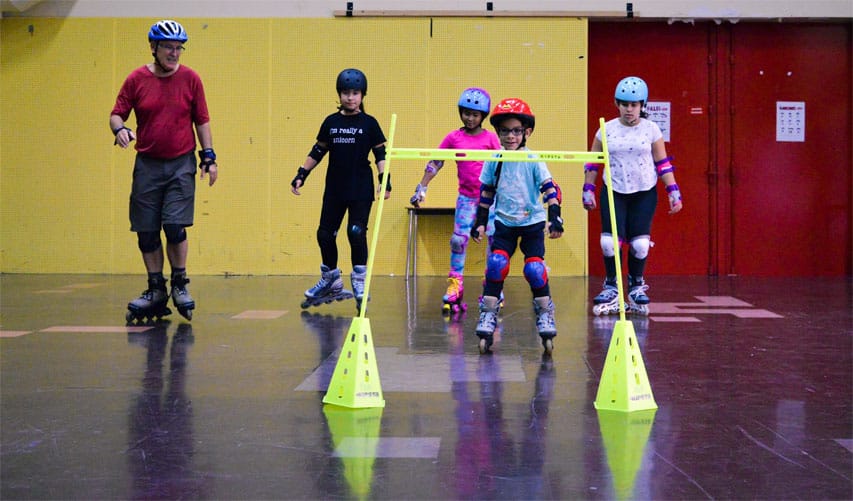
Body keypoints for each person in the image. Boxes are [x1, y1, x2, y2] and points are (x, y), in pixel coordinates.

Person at [111, 19, 218, 323]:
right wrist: (120, 129)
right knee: (146, 230)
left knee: (174, 225)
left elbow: (202, 119)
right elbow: (116, 114)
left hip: (181, 162)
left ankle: (180, 283)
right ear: (153, 47)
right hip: (147, 163)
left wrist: (209, 157)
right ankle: (155, 288)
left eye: (178, 48)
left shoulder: (190, 79)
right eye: (168, 47)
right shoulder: (136, 79)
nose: (174, 53)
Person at [582, 76, 683, 316]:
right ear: (617, 104)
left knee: (639, 245)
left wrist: (673, 190)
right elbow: (593, 163)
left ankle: (636, 285)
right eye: (625, 104)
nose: (630, 109)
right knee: (609, 243)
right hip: (614, 190)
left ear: (642, 105)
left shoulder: (651, 129)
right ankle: (611, 285)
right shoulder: (605, 129)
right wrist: (588, 189)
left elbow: (662, 162)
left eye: (635, 104)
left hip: (643, 192)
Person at [291, 68, 389, 312]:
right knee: (325, 235)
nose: (350, 98)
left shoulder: (369, 123)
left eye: (355, 93)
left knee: (356, 232)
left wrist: (384, 179)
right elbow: (318, 150)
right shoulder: (331, 122)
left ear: (362, 95)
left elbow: (380, 153)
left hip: (360, 188)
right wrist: (301, 174)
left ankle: (359, 279)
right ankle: (331, 279)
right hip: (335, 188)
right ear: (339, 94)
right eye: (346, 92)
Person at [470, 98, 564, 355]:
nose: (510, 136)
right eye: (504, 131)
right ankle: (488, 314)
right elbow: (487, 191)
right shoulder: (495, 158)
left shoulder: (532, 158)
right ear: (498, 133)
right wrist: (479, 222)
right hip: (504, 222)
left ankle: (545, 313)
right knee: (497, 264)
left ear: (526, 132)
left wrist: (555, 215)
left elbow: (548, 188)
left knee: (534, 268)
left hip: (532, 223)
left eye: (516, 131)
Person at [409, 88, 501, 315]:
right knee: (458, 241)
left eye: (475, 114)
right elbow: (436, 161)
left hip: (490, 200)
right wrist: (422, 187)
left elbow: (503, 165)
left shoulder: (490, 138)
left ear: (483, 116)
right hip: (467, 199)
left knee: (495, 243)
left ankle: (493, 287)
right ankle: (455, 284)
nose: (470, 118)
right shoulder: (454, 137)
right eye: (466, 113)